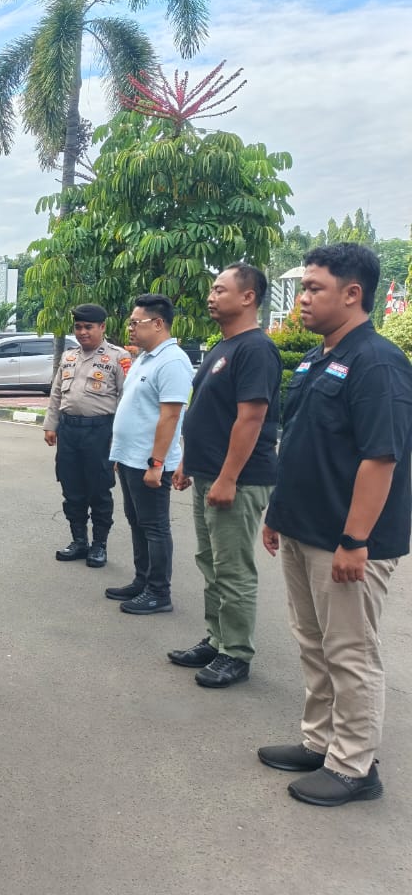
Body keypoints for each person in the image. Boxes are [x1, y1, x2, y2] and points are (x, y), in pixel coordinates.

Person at [259, 243, 412, 807]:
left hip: (345, 542)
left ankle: (354, 766)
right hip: (304, 528)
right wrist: (278, 514)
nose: (302, 298)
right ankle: (320, 742)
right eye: (303, 287)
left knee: (350, 653)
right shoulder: (317, 358)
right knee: (314, 643)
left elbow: (381, 458)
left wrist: (355, 540)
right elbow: (302, 442)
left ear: (352, 294)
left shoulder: (378, 363)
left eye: (313, 288)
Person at [169, 265, 280, 688]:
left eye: (220, 290)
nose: (211, 297)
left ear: (248, 297)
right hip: (208, 473)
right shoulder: (224, 346)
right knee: (210, 562)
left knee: (232, 568)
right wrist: (188, 462)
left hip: (238, 479)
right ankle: (217, 639)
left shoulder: (256, 349)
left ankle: (236, 653)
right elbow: (208, 412)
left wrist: (229, 477)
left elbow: (251, 418)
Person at [105, 294, 193, 614]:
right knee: (137, 521)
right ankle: (142, 580)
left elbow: (170, 416)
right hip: (131, 458)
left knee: (155, 527)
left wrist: (156, 464)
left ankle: (158, 592)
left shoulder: (172, 361)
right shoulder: (144, 358)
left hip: (150, 462)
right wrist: (120, 454)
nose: (129, 328)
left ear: (158, 324)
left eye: (135, 322)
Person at [42, 304, 132, 568]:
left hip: (100, 432)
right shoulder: (69, 356)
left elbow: (125, 400)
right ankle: (79, 541)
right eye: (78, 327)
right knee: (72, 489)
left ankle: (99, 545)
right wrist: (51, 425)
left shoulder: (118, 357)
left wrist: (118, 440)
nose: (82, 332)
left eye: (88, 327)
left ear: (102, 327)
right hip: (69, 431)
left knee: (99, 491)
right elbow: (56, 393)